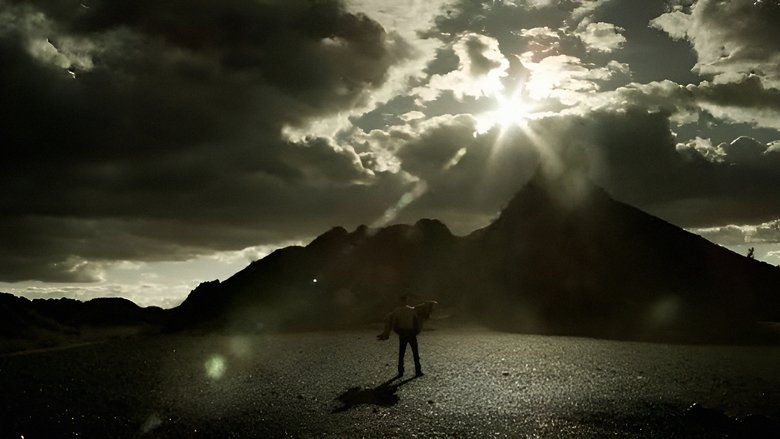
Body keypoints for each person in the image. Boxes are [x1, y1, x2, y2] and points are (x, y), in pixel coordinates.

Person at [377, 295, 437, 377]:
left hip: (402, 333)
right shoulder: (411, 310)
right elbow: (417, 318)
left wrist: (389, 331)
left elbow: (392, 320)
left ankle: (401, 371)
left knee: (402, 352)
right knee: (415, 352)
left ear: (400, 301)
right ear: (406, 301)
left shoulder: (396, 310)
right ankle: (418, 371)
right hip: (411, 332)